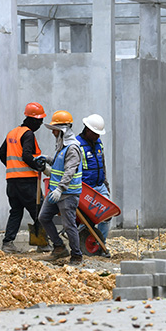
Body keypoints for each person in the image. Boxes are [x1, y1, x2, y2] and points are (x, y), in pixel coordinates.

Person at [0, 102, 48, 253]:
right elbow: (26, 155)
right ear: (32, 119)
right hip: (27, 181)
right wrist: (39, 167)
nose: (40, 124)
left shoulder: (12, 133)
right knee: (39, 211)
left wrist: (13, 167)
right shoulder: (28, 134)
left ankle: (7, 243)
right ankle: (43, 244)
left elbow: (2, 153)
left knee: (16, 211)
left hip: (12, 181)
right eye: (39, 121)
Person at [39, 110, 83, 266]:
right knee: (43, 217)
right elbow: (60, 165)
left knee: (69, 225)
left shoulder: (73, 148)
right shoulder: (62, 146)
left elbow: (70, 171)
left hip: (67, 194)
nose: (53, 133)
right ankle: (59, 247)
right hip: (55, 191)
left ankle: (76, 256)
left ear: (63, 129)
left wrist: (60, 189)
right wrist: (47, 159)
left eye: (55, 130)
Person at [76, 113, 111, 250]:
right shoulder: (77, 144)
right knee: (87, 219)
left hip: (100, 186)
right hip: (86, 188)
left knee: (106, 215)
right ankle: (84, 245)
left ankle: (100, 244)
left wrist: (106, 183)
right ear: (87, 130)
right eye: (95, 133)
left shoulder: (98, 143)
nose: (98, 136)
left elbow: (102, 164)